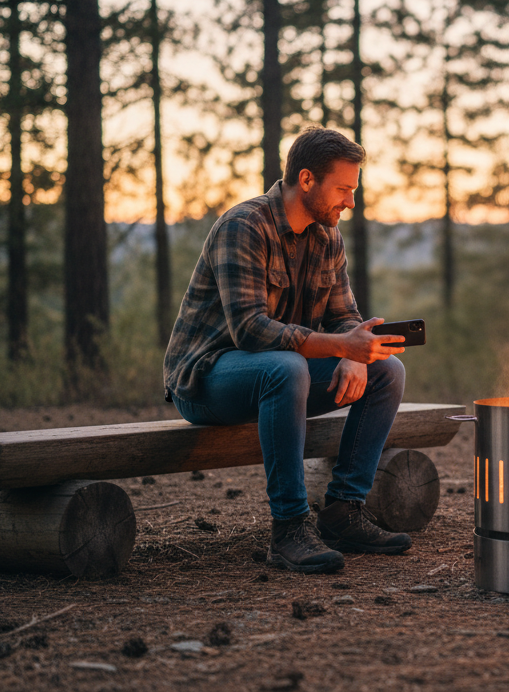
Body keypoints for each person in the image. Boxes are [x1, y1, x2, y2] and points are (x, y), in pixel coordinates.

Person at [163, 127, 410, 575]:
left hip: (279, 375)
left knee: (386, 369)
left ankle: (342, 512)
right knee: (286, 367)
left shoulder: (327, 237)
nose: (350, 202)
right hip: (207, 380)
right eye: (344, 189)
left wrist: (356, 353)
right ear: (308, 180)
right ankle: (290, 527)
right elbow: (251, 331)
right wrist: (342, 346)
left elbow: (344, 317)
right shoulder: (244, 226)